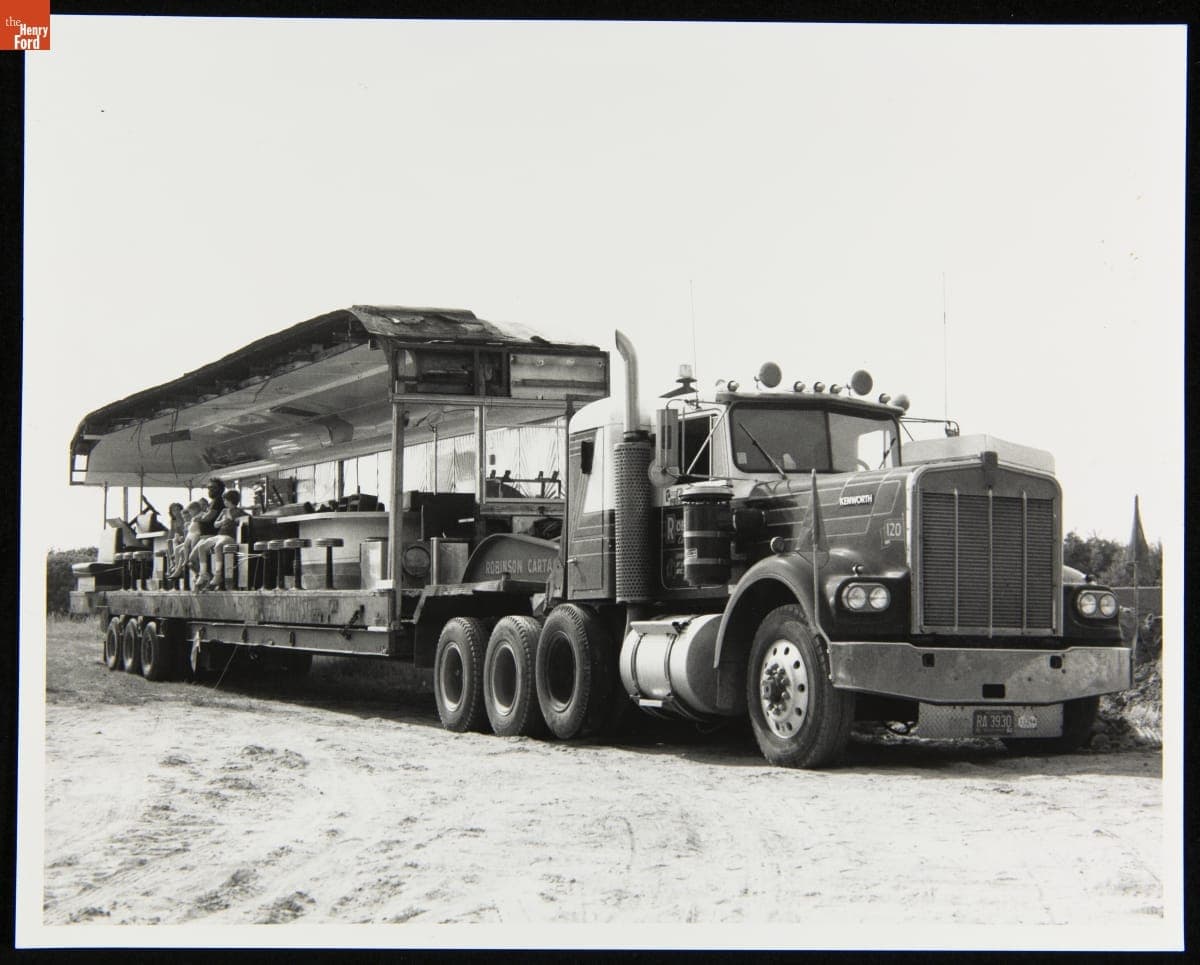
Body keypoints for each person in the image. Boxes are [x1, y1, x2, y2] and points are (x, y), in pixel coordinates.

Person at [190, 489, 247, 591]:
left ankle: (218, 574)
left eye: (226, 500)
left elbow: (240, 520)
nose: (224, 502)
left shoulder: (239, 511)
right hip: (220, 535)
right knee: (202, 547)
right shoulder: (224, 511)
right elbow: (215, 524)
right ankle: (203, 573)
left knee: (218, 546)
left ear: (231, 500)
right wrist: (222, 521)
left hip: (229, 536)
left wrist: (229, 517)